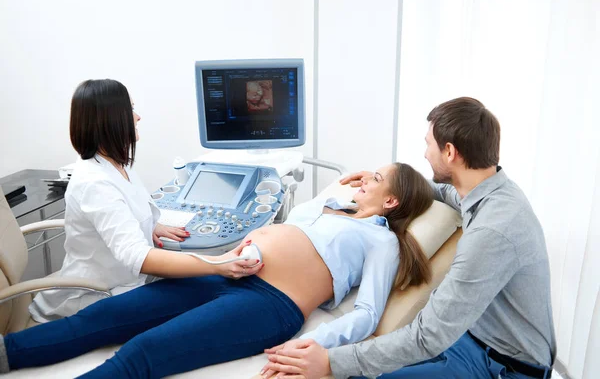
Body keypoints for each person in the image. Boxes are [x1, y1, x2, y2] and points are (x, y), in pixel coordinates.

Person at [0, 161, 434, 378]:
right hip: (227, 271)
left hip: (269, 304)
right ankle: (7, 353)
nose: (363, 179)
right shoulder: (332, 208)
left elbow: (367, 314)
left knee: (143, 352)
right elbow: (295, 223)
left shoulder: (382, 241)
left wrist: (315, 344)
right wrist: (251, 249)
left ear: (392, 201)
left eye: (375, 177)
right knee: (100, 318)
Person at [261, 97, 556, 379]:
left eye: (429, 145)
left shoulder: (492, 232)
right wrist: (386, 185)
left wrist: (330, 362)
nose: (426, 153)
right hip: (470, 338)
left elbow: (428, 336)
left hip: (502, 366)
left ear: (450, 152)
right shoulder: (488, 191)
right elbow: (444, 191)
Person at [29, 79, 264, 323]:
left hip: (125, 281)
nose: (138, 117)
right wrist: (216, 263)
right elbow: (137, 257)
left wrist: (149, 225)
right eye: (130, 110)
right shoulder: (94, 183)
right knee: (214, 292)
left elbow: (124, 212)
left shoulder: (116, 166)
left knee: (213, 285)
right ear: (110, 119)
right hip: (98, 294)